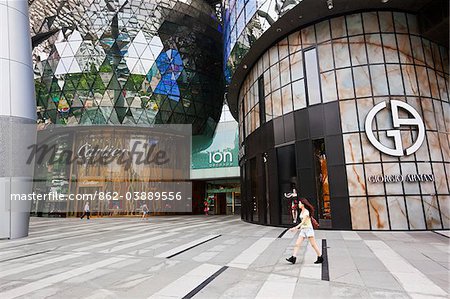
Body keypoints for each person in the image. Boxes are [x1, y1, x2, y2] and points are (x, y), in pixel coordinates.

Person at [286, 198, 323, 264]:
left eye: (300, 203)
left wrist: (295, 228)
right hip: (303, 230)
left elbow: (303, 222)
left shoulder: (306, 212)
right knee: (297, 244)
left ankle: (320, 257)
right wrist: (299, 228)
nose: (299, 205)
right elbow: (303, 224)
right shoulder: (302, 211)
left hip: (309, 230)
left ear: (303, 204)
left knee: (313, 245)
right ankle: (293, 258)